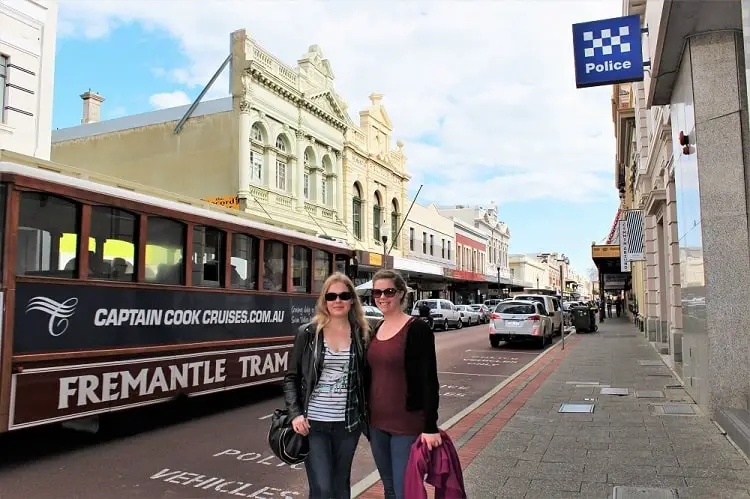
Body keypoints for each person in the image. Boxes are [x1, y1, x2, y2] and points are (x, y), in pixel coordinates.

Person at [282, 273, 370, 499]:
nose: (337, 301)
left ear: (352, 300)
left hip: (348, 424)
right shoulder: (309, 333)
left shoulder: (362, 334)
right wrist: (295, 415)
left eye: (344, 295)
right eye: (332, 296)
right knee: (322, 487)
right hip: (314, 424)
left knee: (341, 487)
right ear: (324, 300)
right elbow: (291, 378)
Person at [366, 269, 442, 499]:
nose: (382, 297)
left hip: (406, 425)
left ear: (400, 293)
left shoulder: (417, 328)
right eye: (376, 292)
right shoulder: (376, 328)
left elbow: (429, 379)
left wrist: (430, 426)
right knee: (389, 489)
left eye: (388, 291)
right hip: (376, 425)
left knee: (405, 491)